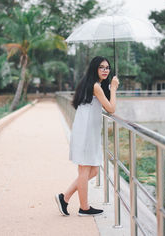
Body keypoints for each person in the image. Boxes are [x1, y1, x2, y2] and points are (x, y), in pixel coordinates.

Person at [55, 56, 119, 217]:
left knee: (94, 171)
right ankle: (84, 208)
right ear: (95, 68)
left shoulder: (91, 84)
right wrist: (113, 89)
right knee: (84, 171)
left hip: (89, 132)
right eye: (101, 67)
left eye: (107, 67)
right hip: (85, 133)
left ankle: (65, 197)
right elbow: (111, 108)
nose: (105, 70)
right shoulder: (95, 86)